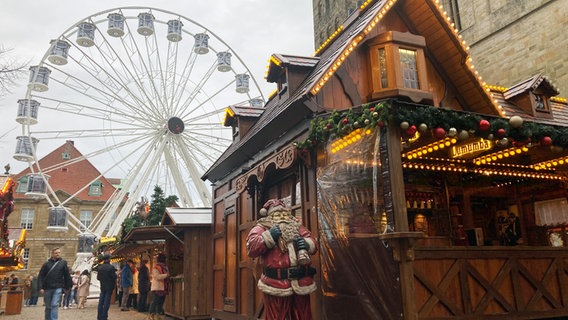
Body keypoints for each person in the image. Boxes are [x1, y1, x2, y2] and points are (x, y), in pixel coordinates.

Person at [246, 199, 318, 320]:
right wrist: (269, 236)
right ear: (270, 217)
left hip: (301, 282)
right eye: (278, 215)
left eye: (284, 214)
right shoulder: (262, 228)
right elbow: (251, 248)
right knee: (277, 315)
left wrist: (306, 243)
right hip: (276, 283)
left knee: (303, 315)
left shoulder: (297, 226)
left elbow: (313, 243)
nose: (282, 217)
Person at [38, 247, 73, 320]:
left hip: (58, 287)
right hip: (47, 288)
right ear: (52, 254)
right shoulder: (46, 264)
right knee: (48, 307)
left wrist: (68, 286)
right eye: (56, 253)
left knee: (54, 304)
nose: (57, 254)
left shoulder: (63, 263)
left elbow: (66, 275)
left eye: (59, 253)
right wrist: (40, 287)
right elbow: (41, 276)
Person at [148, 254, 170, 320]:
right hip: (158, 287)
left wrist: (167, 276)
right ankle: (151, 315)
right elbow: (157, 277)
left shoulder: (165, 267)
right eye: (164, 259)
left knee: (161, 302)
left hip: (164, 287)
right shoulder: (156, 267)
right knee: (155, 302)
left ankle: (158, 315)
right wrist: (166, 275)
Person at [97, 254, 117, 320]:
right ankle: (104, 316)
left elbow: (98, 278)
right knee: (106, 302)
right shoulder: (111, 267)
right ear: (109, 259)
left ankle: (99, 316)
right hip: (110, 286)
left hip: (102, 286)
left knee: (101, 301)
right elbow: (114, 277)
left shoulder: (100, 267)